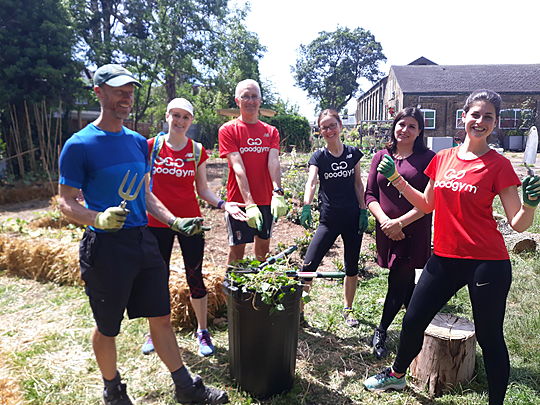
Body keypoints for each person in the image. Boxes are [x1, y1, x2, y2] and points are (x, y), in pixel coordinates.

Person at [58, 64, 228, 405]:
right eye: (119, 90)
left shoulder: (138, 142)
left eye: (130, 90)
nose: (127, 96)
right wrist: (98, 218)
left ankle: (185, 388)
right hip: (105, 247)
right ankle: (113, 390)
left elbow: (146, 195)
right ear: (99, 93)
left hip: (143, 239)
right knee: (108, 326)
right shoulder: (80, 145)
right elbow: (65, 201)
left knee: (161, 317)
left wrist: (174, 221)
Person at [363, 90, 540, 405]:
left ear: (496, 123)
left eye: (488, 116)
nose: (480, 121)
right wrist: (397, 179)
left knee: (489, 337)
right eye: (475, 114)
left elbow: (517, 223)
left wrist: (529, 205)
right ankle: (397, 375)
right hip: (443, 256)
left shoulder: (498, 165)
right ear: (464, 117)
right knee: (413, 319)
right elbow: (427, 203)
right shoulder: (443, 158)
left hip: (487, 261)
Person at [141, 97, 247, 358]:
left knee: (194, 275)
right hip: (157, 222)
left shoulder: (196, 150)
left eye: (185, 117)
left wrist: (224, 204)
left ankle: (203, 331)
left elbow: (202, 190)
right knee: (157, 276)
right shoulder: (150, 147)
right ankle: (154, 331)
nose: (179, 121)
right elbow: (143, 189)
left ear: (191, 121)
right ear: (167, 116)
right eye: (175, 115)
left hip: (191, 223)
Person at [364, 107, 435, 358]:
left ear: (419, 132)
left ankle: (381, 330)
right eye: (401, 124)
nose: (405, 130)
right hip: (386, 229)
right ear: (394, 126)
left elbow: (430, 201)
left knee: (398, 279)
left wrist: (400, 223)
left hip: (412, 228)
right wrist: (385, 222)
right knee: (403, 281)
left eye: (412, 126)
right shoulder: (382, 156)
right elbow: (370, 194)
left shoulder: (428, 159)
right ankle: (419, 324)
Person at [299, 109, 368, 327]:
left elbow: (358, 183)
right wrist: (306, 205)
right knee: (309, 265)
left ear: (340, 126)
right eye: (324, 127)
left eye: (332, 125)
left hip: (352, 218)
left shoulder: (352, 153)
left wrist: (364, 209)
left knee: (352, 266)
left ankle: (348, 310)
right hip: (329, 219)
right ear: (320, 131)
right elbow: (311, 182)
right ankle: (299, 313)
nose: (329, 130)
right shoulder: (319, 157)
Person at [218, 79, 288, 264]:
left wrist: (278, 192)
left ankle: (257, 291)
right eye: (245, 96)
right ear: (237, 100)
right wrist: (249, 204)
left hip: (266, 200)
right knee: (237, 253)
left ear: (260, 100)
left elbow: (273, 162)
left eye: (254, 96)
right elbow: (238, 167)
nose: (250, 101)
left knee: (263, 251)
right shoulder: (228, 130)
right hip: (239, 203)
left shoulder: (271, 131)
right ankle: (232, 292)